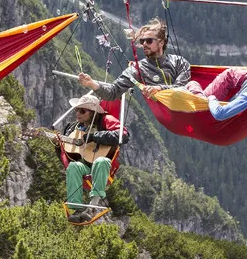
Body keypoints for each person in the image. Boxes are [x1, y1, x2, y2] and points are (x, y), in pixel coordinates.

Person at [78, 17, 190, 100]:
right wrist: (92, 84)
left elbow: (182, 88)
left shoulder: (179, 62)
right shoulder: (138, 68)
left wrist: (159, 89)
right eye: (142, 41)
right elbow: (114, 92)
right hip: (165, 111)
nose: (144, 44)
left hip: (186, 106)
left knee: (194, 85)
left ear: (161, 42)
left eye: (149, 41)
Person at [60, 94, 129, 223]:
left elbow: (123, 135)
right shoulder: (75, 127)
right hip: (85, 165)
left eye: (82, 111)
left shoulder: (106, 120)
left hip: (103, 166)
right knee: (74, 167)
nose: (78, 114)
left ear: (93, 112)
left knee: (101, 161)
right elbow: (67, 152)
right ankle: (77, 209)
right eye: (77, 110)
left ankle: (92, 206)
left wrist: (94, 137)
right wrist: (58, 144)